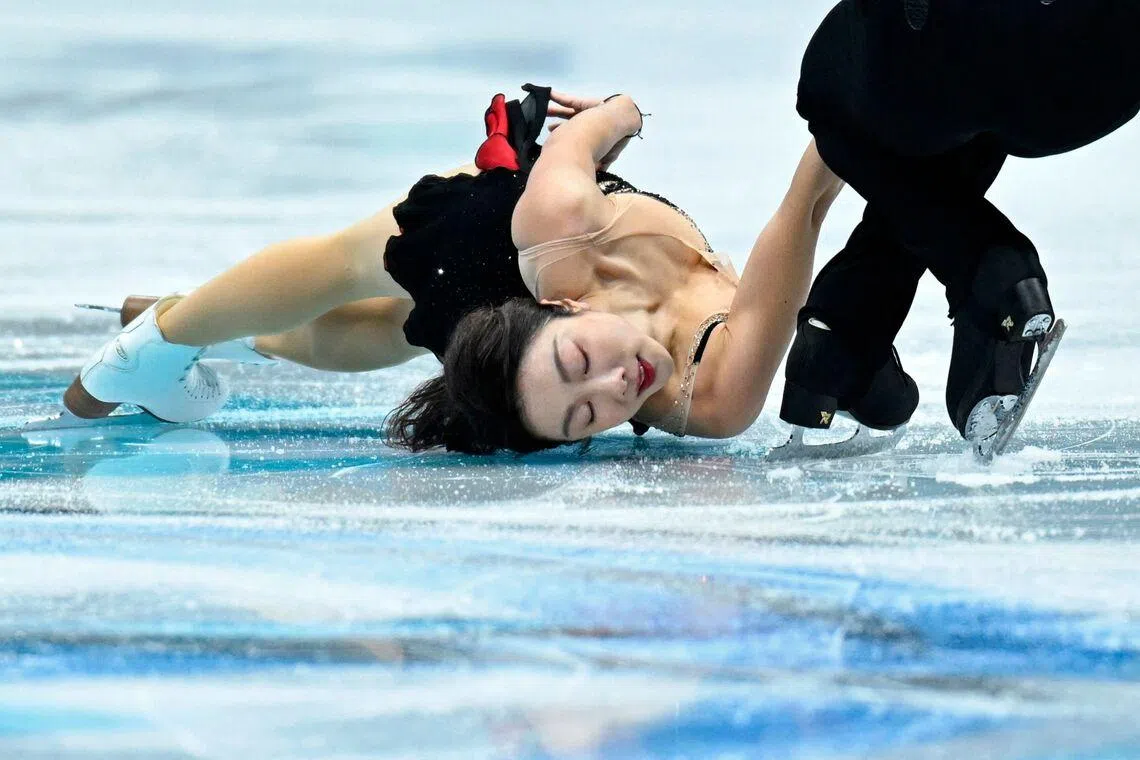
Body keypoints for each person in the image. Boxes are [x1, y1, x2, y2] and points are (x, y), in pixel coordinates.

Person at [66, 85, 845, 454]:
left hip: (513, 323)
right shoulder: (708, 392)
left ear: (566, 315)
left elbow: (600, 126)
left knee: (392, 325)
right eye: (586, 409)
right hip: (492, 241)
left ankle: (203, 329)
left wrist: (620, 116)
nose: (616, 392)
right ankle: (156, 341)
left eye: (583, 390)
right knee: (346, 273)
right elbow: (806, 201)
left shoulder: (565, 225)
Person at [779, 0, 1140, 444]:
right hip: (1108, 74)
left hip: (975, 40)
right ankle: (845, 332)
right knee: (958, 115)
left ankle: (992, 272)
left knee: (830, 81)